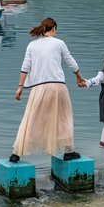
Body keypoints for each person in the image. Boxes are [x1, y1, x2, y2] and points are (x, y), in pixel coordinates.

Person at [10, 17, 86, 163]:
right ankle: (69, 151)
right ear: (54, 28)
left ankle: (16, 153)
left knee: (30, 119)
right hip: (58, 86)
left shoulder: (32, 45)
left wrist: (20, 87)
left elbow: (25, 67)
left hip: (39, 87)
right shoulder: (59, 43)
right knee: (64, 118)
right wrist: (79, 77)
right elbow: (71, 62)